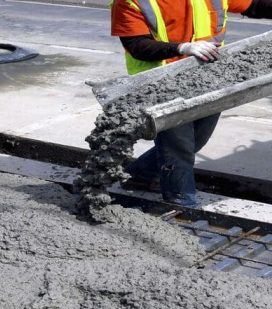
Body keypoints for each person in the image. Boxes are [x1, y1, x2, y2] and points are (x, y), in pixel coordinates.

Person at [111, 0, 272, 206]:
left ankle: (140, 175)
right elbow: (136, 45)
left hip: (207, 76)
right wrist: (183, 47)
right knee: (179, 146)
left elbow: (253, 6)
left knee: (198, 139)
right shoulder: (130, 2)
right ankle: (181, 202)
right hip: (160, 83)